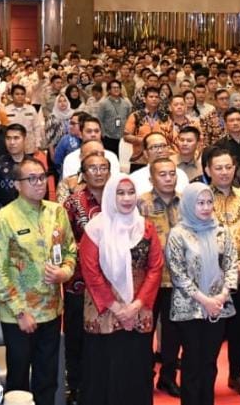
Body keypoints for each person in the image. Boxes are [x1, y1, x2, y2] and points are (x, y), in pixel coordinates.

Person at [0, 158, 76, 405]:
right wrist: (20, 312)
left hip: (51, 310)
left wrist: (65, 272)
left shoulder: (57, 212)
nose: (39, 183)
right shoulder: (4, 218)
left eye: (42, 177)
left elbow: (70, 249)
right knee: (18, 382)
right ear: (17, 184)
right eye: (32, 179)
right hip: (19, 314)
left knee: (47, 378)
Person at [79, 171, 164, 405]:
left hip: (139, 308)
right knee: (104, 370)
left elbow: (155, 268)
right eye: (120, 193)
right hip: (103, 310)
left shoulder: (145, 227)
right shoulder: (96, 229)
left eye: (131, 192)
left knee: (136, 369)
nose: (127, 198)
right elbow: (91, 272)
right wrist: (117, 308)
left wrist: (135, 306)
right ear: (110, 196)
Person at [166, 181, 237, 405]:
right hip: (190, 307)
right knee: (192, 362)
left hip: (218, 306)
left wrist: (222, 296)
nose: (206, 207)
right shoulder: (178, 234)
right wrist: (204, 300)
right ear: (188, 204)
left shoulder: (222, 231)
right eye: (200, 203)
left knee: (209, 362)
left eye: (209, 202)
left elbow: (232, 265)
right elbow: (177, 274)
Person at [201, 146, 240, 397]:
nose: (224, 172)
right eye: (218, 168)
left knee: (239, 330)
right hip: (210, 279)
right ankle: (205, 381)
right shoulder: (199, 198)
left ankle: (236, 375)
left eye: (228, 167)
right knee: (210, 334)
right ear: (208, 169)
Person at [60, 153, 108, 404]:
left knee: (105, 339)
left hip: (111, 284)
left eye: (103, 168)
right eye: (93, 168)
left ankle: (102, 386)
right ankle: (76, 386)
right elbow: (64, 242)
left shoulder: (118, 198)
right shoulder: (73, 203)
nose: (98, 173)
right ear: (83, 174)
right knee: (77, 338)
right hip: (79, 282)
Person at [138, 157, 183, 396]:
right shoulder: (141, 203)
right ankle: (145, 377)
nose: (168, 178)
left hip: (178, 280)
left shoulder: (186, 202)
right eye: (162, 174)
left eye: (171, 173)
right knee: (145, 331)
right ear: (151, 178)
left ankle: (168, 377)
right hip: (149, 280)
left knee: (173, 333)